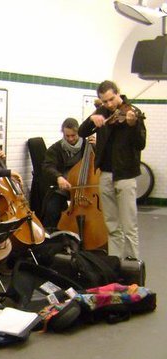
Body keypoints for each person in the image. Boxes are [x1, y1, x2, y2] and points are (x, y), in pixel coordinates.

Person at [78, 80, 146, 259]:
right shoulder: (101, 112)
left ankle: (132, 266)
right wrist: (91, 119)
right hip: (106, 173)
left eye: (111, 99)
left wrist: (134, 125)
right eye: (104, 101)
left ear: (118, 93)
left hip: (125, 175)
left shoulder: (133, 112)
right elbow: (81, 132)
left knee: (129, 226)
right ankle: (115, 263)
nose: (109, 104)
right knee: (112, 225)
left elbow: (141, 144)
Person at [40, 118, 89, 230]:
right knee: (51, 209)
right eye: (67, 136)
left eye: (73, 135)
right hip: (63, 187)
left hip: (85, 189)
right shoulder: (56, 148)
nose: (70, 139)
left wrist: (98, 146)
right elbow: (48, 166)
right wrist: (58, 177)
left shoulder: (88, 146)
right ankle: (52, 238)